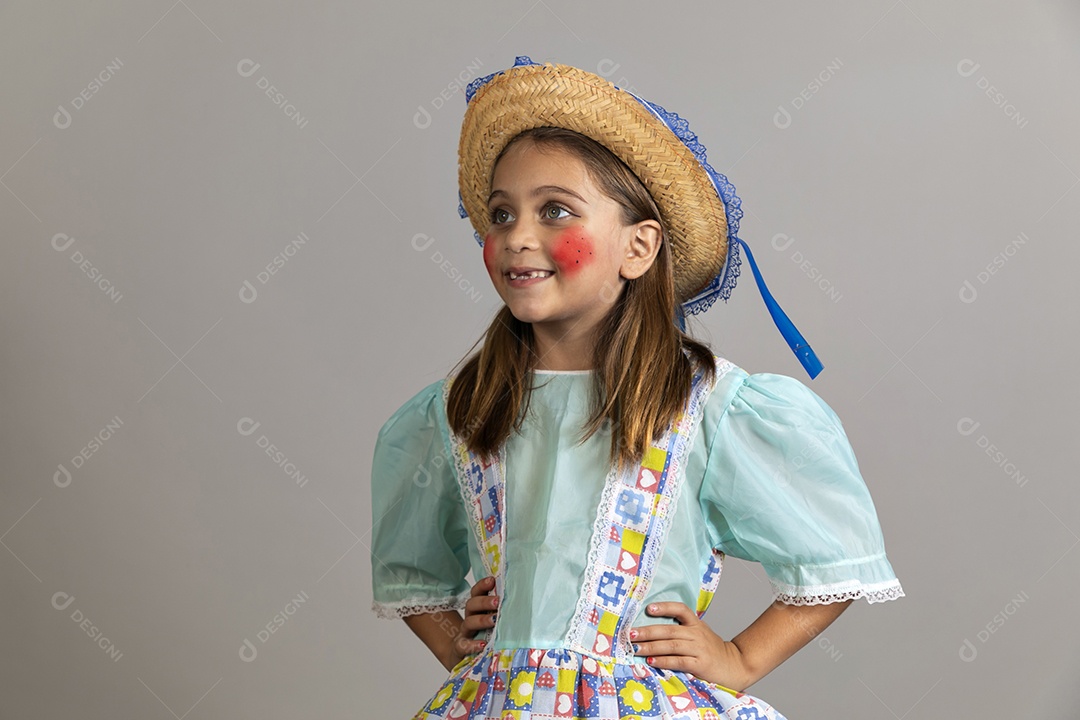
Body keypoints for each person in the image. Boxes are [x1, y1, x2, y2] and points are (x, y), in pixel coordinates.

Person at [369, 56, 904, 720]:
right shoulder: (461, 407)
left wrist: (740, 659)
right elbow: (413, 574)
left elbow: (832, 559)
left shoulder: (702, 408)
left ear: (638, 247)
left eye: (555, 211)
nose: (517, 238)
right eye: (501, 215)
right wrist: (466, 644)